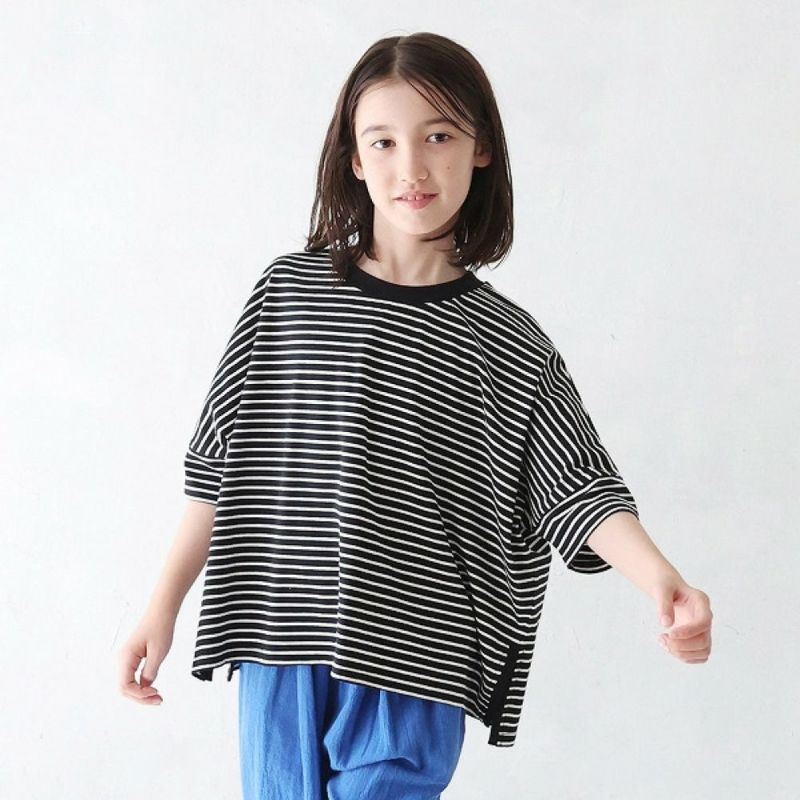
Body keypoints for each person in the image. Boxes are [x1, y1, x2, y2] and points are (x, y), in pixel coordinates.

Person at [118, 31, 713, 800]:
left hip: (417, 659)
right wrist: (160, 609)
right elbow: (219, 469)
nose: (412, 167)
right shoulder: (288, 295)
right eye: (384, 141)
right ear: (354, 158)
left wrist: (664, 580)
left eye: (438, 136)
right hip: (279, 640)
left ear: (480, 148)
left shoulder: (507, 342)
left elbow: (576, 486)